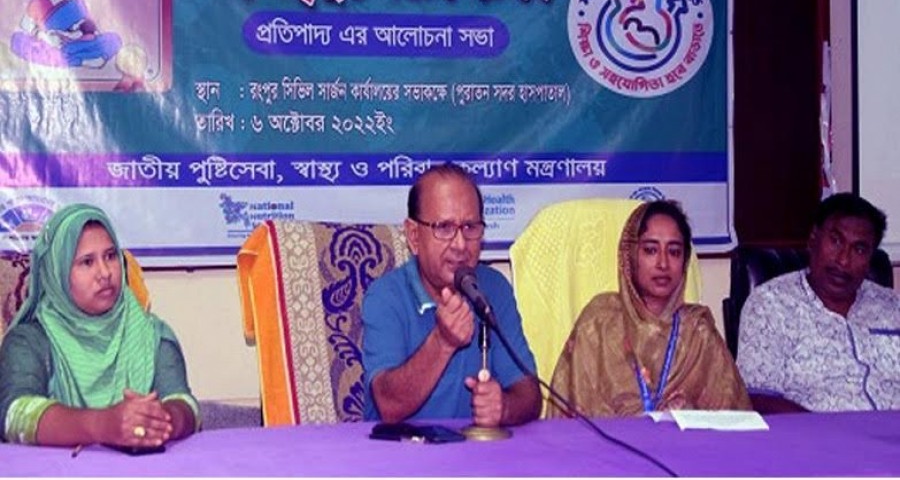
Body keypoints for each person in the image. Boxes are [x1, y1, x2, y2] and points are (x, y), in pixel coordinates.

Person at [0, 204, 199, 448]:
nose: (105, 273)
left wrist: (160, 420)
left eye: (111, 256)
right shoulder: (28, 341)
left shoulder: (152, 335)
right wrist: (102, 425)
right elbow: (13, 415)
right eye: (87, 262)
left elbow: (185, 404)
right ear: (57, 273)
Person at [362, 163, 541, 426]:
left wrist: (504, 408)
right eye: (444, 227)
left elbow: (529, 393)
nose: (460, 244)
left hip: (475, 449)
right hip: (400, 448)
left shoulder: (493, 288)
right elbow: (389, 405)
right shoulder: (386, 296)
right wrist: (442, 341)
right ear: (414, 236)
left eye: (470, 227)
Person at [548, 200, 750, 417]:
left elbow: (737, 420)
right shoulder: (598, 324)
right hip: (605, 440)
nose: (663, 264)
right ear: (629, 256)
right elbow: (569, 420)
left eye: (674, 252)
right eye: (651, 250)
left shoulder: (698, 333)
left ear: (684, 262)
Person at [737, 193, 900, 413]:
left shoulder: (892, 306)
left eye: (859, 249)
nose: (843, 260)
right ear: (813, 239)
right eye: (835, 241)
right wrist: (824, 428)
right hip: (815, 432)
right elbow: (758, 398)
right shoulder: (771, 305)